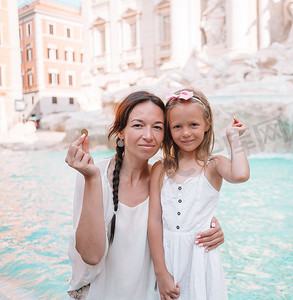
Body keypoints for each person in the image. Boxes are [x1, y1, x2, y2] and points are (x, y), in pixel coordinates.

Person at [65, 91, 225, 299]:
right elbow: (91, 255)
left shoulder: (166, 182)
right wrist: (92, 179)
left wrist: (211, 230)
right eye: (138, 125)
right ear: (121, 131)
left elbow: (185, 221)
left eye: (157, 127)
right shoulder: (93, 174)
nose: (148, 136)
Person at [148, 89, 250, 299]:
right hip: (166, 256)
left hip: (200, 257)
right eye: (177, 127)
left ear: (207, 125)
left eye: (193, 125)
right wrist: (160, 272)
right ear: (169, 130)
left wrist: (234, 139)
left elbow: (240, 175)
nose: (185, 133)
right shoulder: (160, 168)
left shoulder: (214, 165)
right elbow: (154, 221)